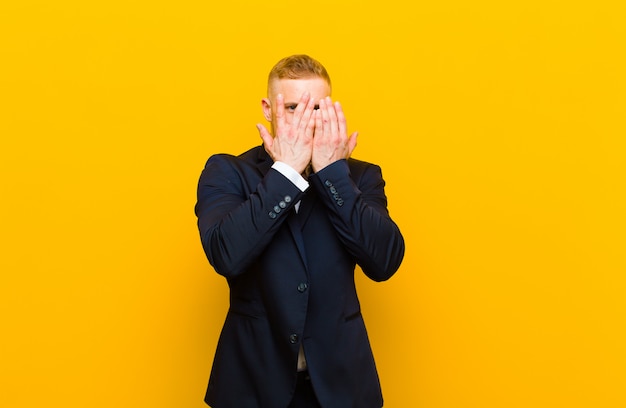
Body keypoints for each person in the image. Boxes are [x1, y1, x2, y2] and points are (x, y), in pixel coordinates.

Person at [195, 54, 405, 408]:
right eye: (293, 107)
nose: (306, 119)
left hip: (341, 388)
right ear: (268, 108)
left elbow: (384, 261)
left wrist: (332, 174)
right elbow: (226, 255)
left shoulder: (360, 176)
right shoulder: (227, 171)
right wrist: (287, 173)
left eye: (318, 108)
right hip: (252, 387)